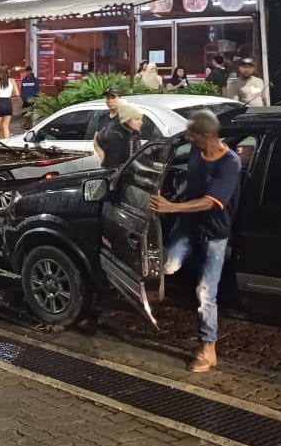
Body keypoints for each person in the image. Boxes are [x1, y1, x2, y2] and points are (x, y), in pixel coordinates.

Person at [149, 110, 241, 373]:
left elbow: (209, 202)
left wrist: (171, 208)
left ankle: (208, 348)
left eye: (191, 133)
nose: (188, 138)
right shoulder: (194, 152)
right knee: (167, 266)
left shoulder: (229, 163)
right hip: (188, 226)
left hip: (215, 234)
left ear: (206, 135)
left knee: (205, 293)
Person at [96, 100, 143, 171]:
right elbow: (112, 168)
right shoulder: (116, 136)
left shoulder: (134, 133)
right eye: (137, 119)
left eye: (141, 119)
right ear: (127, 120)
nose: (141, 122)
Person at [0, 64, 19, 141]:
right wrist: (7, 94)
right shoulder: (12, 80)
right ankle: (7, 144)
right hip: (8, 103)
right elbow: (17, 93)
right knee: (5, 127)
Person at [92, 86, 123, 162]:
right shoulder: (103, 118)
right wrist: (103, 157)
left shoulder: (126, 117)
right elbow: (96, 141)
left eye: (113, 97)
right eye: (107, 98)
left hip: (124, 165)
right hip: (108, 165)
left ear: (120, 98)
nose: (110, 101)